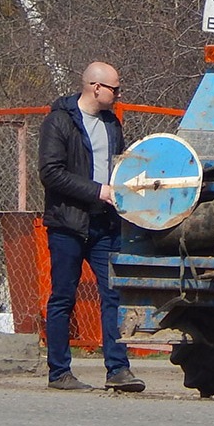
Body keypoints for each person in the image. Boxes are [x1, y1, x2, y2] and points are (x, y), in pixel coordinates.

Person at [39, 62, 145, 392]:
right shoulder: (59, 122)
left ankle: (118, 369)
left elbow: (116, 167)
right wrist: (97, 190)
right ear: (95, 87)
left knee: (113, 293)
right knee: (63, 298)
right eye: (114, 89)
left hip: (104, 224)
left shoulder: (111, 124)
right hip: (68, 224)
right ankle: (59, 372)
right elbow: (50, 172)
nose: (118, 95)